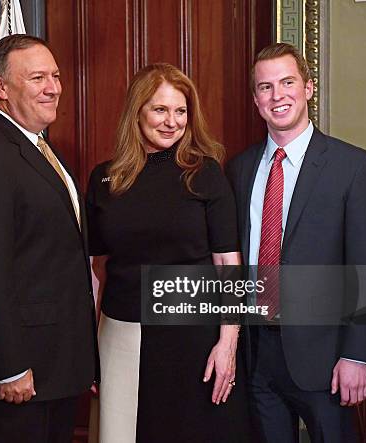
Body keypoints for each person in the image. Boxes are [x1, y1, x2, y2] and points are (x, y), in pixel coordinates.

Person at [226, 42, 366, 442]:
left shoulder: (353, 167)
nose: (277, 95)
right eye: (265, 87)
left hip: (326, 359)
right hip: (256, 354)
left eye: (287, 82)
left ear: (309, 87)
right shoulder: (240, 169)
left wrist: (356, 355)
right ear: (256, 99)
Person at [86, 63, 252, 442]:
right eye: (160, 110)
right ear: (137, 111)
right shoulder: (104, 178)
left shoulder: (205, 173)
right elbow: (98, 268)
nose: (171, 122)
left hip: (192, 335)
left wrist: (228, 345)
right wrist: (90, 349)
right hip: (121, 332)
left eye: (180, 111)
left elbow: (228, 264)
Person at [0, 34, 98, 443]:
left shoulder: (38, 147)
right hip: (17, 377)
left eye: (56, 75)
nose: (54, 87)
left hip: (52, 367)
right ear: (0, 87)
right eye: (37, 78)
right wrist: (10, 365)